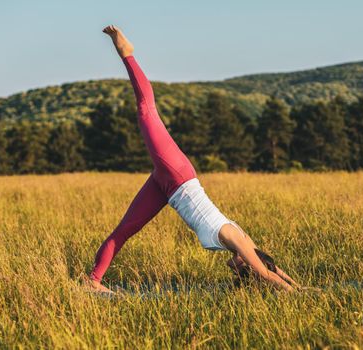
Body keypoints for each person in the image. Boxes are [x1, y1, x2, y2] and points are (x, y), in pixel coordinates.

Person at [87, 25, 300, 294]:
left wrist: (296, 282)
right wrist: (297, 292)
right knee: (146, 111)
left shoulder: (243, 242)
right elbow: (267, 273)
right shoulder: (236, 240)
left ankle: (93, 281)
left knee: (126, 229)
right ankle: (127, 54)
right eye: (240, 268)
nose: (233, 268)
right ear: (247, 265)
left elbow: (270, 266)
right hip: (178, 176)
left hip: (168, 189)